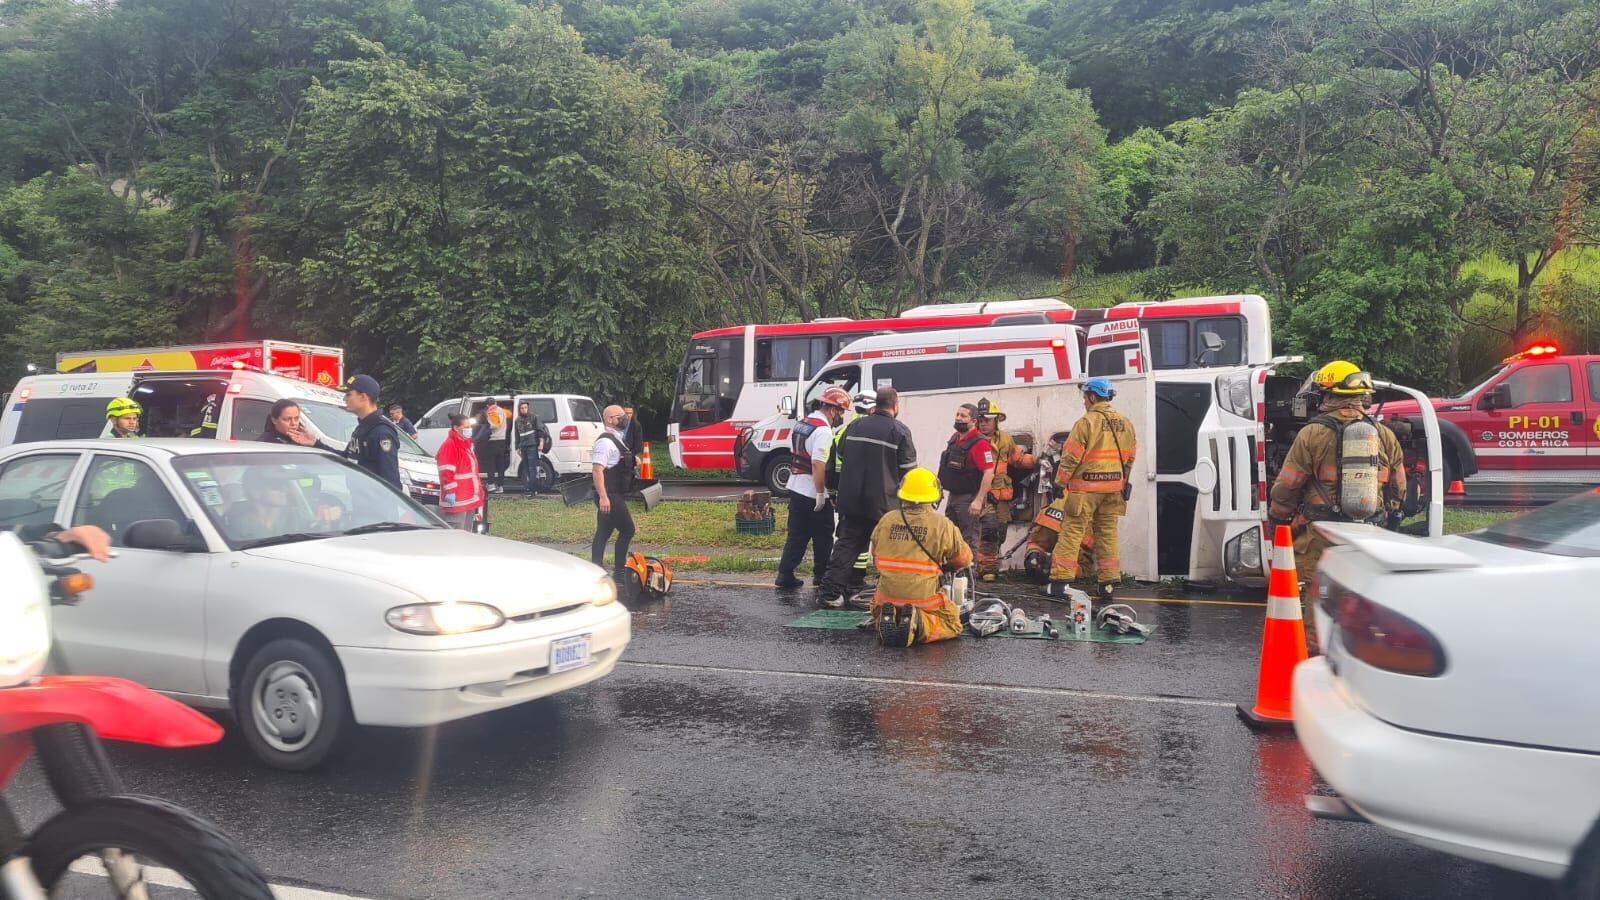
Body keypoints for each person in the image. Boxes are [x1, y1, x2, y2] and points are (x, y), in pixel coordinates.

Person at [1268, 360, 1407, 580]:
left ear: (1328, 395)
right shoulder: (1384, 435)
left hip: (1321, 538)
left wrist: (1277, 522)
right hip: (1369, 537)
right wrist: (1388, 518)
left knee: (1317, 605)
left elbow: (1287, 486)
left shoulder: (1311, 434)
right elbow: (1398, 487)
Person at [819, 386, 916, 609]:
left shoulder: (854, 426)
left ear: (876, 405)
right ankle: (891, 596)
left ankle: (830, 593)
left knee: (846, 545)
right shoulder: (899, 431)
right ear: (895, 405)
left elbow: (839, 456)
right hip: (883, 504)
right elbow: (909, 471)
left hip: (851, 499)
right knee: (889, 549)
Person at [1045, 377, 1137, 603]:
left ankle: (1060, 583)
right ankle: (1107, 586)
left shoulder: (1086, 423)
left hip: (1085, 490)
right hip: (1113, 490)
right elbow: (1129, 458)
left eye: (1085, 397)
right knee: (1107, 535)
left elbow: (1070, 458)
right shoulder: (1126, 423)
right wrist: (1122, 481)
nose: (1084, 402)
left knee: (1071, 533)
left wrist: (1059, 482)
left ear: (1093, 397)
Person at [870, 467, 973, 646]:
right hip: (924, 600)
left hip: (885, 597)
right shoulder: (942, 525)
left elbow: (875, 555)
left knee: (879, 607)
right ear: (935, 496)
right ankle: (918, 624)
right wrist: (948, 567)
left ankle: (887, 619)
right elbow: (964, 559)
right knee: (952, 623)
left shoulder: (886, 520)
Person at [775, 386, 852, 590]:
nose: (841, 417)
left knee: (797, 533)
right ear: (833, 410)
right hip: (812, 491)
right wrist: (820, 494)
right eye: (841, 412)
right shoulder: (823, 431)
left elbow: (796, 453)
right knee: (824, 535)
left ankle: (785, 573)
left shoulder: (803, 423)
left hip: (795, 486)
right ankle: (821, 575)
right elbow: (818, 465)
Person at [974, 399, 1035, 582]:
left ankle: (988, 563)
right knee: (989, 530)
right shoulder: (974, 440)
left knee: (1000, 530)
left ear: (996, 421)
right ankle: (987, 570)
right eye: (981, 419)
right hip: (984, 495)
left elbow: (1018, 459)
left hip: (1002, 495)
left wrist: (1039, 459)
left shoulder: (1005, 440)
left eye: (987, 420)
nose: (984, 423)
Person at [939, 402, 995, 556]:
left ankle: (968, 576)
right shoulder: (955, 438)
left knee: (968, 540)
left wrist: (978, 500)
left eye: (963, 416)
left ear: (973, 421)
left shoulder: (980, 443)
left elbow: (989, 473)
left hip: (969, 499)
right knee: (951, 538)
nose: (958, 418)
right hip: (953, 496)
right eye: (957, 415)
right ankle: (953, 576)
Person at [591, 404, 637, 580]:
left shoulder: (615, 438)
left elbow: (615, 461)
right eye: (620, 415)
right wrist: (603, 497)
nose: (625, 417)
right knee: (628, 530)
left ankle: (596, 570)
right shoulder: (605, 442)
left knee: (603, 531)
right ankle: (619, 573)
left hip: (611, 494)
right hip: (609, 495)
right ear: (609, 419)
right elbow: (597, 470)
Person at [340, 374, 403, 490]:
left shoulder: (381, 432)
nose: (345, 399)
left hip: (375, 505)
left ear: (363, 397)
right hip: (360, 502)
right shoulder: (362, 428)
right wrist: (315, 443)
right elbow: (345, 458)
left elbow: (390, 480)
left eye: (349, 394)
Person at [436, 413, 485, 530]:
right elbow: (446, 471)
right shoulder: (450, 445)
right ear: (456, 428)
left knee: (467, 532)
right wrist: (450, 491)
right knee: (457, 533)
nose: (469, 429)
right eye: (466, 427)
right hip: (456, 499)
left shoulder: (465, 444)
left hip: (468, 497)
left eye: (470, 426)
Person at [257, 399, 339, 452]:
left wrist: (314, 443)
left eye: (296, 418)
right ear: (274, 420)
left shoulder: (303, 440)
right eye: (287, 419)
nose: (293, 423)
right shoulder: (265, 445)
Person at [515, 401, 552, 495]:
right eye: (522, 408)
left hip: (532, 446)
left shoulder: (534, 417)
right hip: (523, 447)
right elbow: (517, 435)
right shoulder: (517, 420)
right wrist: (517, 447)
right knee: (526, 468)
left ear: (528, 408)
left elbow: (540, 431)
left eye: (525, 408)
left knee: (532, 468)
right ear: (519, 409)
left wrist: (541, 443)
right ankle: (529, 489)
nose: (524, 409)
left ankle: (533, 490)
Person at [482, 399, 511, 493]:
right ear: (496, 403)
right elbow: (509, 414)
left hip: (494, 440)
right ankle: (501, 486)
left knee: (491, 464)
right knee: (500, 464)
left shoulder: (491, 411)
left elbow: (496, 425)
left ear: (487, 405)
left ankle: (491, 485)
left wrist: (487, 426)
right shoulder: (502, 411)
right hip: (502, 440)